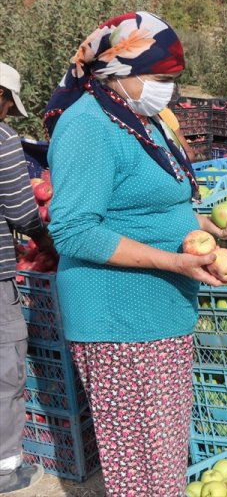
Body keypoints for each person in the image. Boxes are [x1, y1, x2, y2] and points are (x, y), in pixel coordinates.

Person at [43, 12, 227, 496]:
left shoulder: (140, 120)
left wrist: (213, 226)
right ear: (120, 71)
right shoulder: (87, 128)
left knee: (161, 460)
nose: (170, 91)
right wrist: (176, 262)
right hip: (121, 320)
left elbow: (154, 205)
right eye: (161, 79)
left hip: (159, 313)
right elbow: (74, 231)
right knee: (141, 466)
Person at [0, 62, 51, 493]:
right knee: (5, 368)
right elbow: (21, 211)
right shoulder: (1, 140)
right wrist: (45, 241)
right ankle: (5, 470)